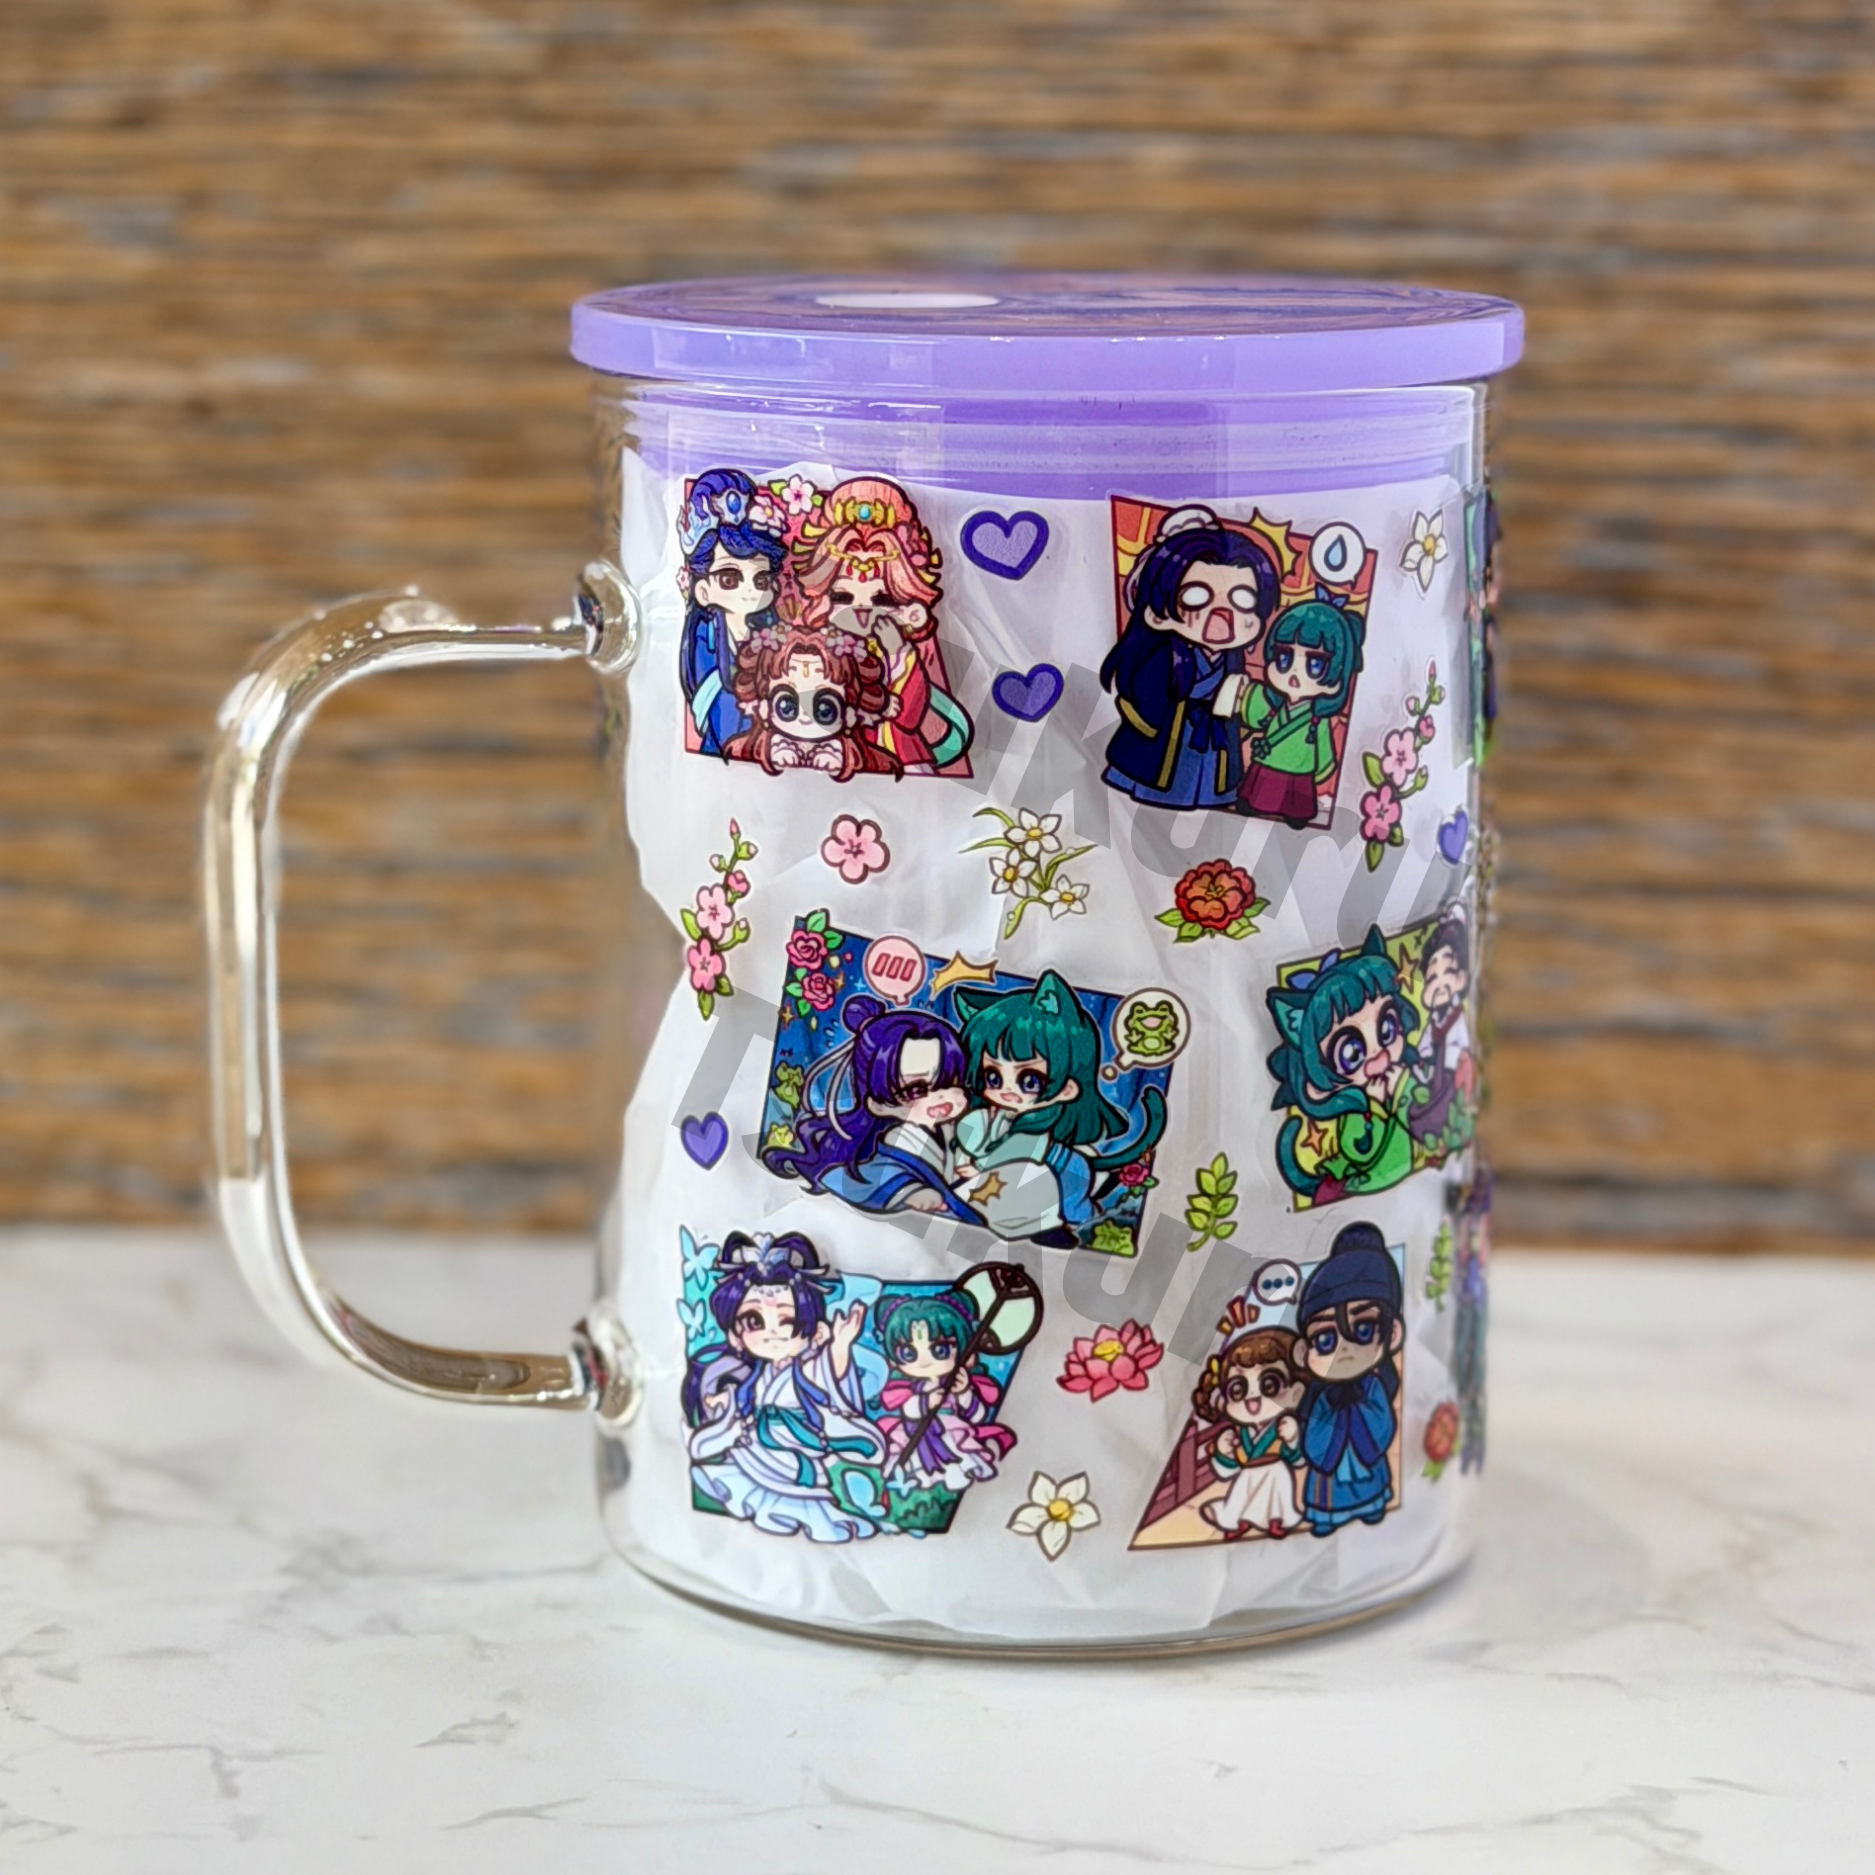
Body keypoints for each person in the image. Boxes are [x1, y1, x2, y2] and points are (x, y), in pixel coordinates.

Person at [681, 1231, 888, 1543]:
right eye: (754, 1321)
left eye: (787, 1322)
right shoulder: (755, 1374)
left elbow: (830, 1379)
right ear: (735, 1335)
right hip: (758, 1448)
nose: (772, 1333)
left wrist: (841, 1346)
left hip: (793, 1449)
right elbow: (744, 1398)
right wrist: (722, 1402)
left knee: (794, 1501)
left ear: (815, 1331)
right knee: (741, 1473)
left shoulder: (808, 1369)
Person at [950, 970, 1166, 1246]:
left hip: (1063, 1173)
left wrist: (978, 1169)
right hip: (1040, 1177)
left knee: (1075, 1208)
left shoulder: (1037, 1126)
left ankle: (1086, 1209)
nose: (1006, 1090)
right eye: (993, 1076)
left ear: (1068, 1089)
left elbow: (1012, 1157)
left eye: (1029, 1080)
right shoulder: (990, 1117)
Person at [1098, 506, 1282, 811]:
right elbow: (1145, 700)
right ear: (1157, 612)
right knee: (1152, 810)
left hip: (1213, 745)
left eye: (1243, 599)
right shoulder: (1161, 655)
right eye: (1196, 596)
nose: (1222, 615)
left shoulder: (1232, 660)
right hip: (1164, 746)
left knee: (1206, 810)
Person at [791, 476, 972, 773]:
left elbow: (910, 717)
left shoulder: (903, 653)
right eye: (843, 596)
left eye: (882, 599)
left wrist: (899, 653)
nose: (862, 610)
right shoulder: (811, 650)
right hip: (829, 755)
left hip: (896, 757)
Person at [763, 999, 983, 1222]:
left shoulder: (958, 1130)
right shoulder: (896, 1142)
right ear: (878, 1104)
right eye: (916, 1090)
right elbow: (872, 1178)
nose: (941, 1097)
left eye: (950, 1081)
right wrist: (910, 1191)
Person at [1265, 926, 1423, 1205]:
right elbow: (1357, 1148)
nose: (1380, 1058)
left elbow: (1427, 1119)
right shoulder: (1354, 1110)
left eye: (1387, 1029)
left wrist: (1397, 1093)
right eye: (1351, 1052)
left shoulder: (1404, 1084)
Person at [1291, 1222, 1404, 1536]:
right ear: (1303, 1351)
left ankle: (1372, 1505)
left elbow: (1381, 1425)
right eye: (1325, 1339)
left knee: (1371, 1482)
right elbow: (1314, 1438)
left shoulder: (1373, 1388)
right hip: (1333, 1465)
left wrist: (1359, 1414)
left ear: (1392, 1333)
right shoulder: (1321, 1398)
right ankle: (1326, 1515)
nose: (1344, 1350)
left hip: (1364, 1455)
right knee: (1327, 1490)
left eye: (1363, 1330)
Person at [676, 469, 788, 758]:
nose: (750, 590)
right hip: (724, 740)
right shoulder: (706, 636)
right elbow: (714, 702)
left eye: (760, 579)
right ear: (703, 590)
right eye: (729, 578)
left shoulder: (770, 630)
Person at [1236, 594, 1365, 826]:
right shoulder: (1275, 706)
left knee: (1294, 803)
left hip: (1299, 771)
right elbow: (1255, 715)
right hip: (1268, 761)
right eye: (1284, 658)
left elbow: (1324, 748)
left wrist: (1323, 771)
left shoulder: (1317, 719)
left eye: (1315, 664)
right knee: (1257, 795)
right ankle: (1254, 803)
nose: (1295, 673)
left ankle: (1294, 813)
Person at [874, 1289, 1016, 1491]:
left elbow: (976, 1416)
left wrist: (964, 1393)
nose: (924, 1362)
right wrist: (925, 1403)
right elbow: (908, 1410)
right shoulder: (906, 1389)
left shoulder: (958, 1383)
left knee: (956, 1461)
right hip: (913, 1435)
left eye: (939, 1350)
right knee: (911, 1466)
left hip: (951, 1433)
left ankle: (949, 1483)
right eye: (908, 1353)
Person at [723, 625, 899, 780]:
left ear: (851, 715)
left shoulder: (877, 766)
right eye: (787, 705)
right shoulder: (740, 753)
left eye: (825, 709)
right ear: (763, 708)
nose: (805, 717)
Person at [1194, 1310, 1306, 1539]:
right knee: (1239, 1497)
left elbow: (1298, 1459)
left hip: (1276, 1471)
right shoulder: (1240, 1433)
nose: (1252, 1398)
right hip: (1248, 1474)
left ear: (1295, 1392)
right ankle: (1239, 1521)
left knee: (1279, 1496)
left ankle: (1277, 1520)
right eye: (1238, 1389)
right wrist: (1224, 1453)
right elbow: (1228, 1471)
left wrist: (1293, 1439)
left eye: (1269, 1385)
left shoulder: (1281, 1426)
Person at [1407, 912, 1475, 1146]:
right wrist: (1417, 1063)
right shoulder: (1433, 1023)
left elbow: (1464, 1051)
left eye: (1448, 973)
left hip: (1453, 1081)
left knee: (1444, 1115)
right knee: (1417, 1115)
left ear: (1461, 978)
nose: (1439, 984)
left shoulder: (1458, 1018)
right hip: (1435, 1082)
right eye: (1432, 978)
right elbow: (1423, 1051)